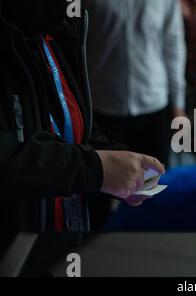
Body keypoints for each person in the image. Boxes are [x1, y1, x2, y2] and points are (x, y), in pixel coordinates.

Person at [0, 0, 165, 239]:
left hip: (57, 244)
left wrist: (113, 159)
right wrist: (94, 169)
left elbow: (67, 127)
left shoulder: (51, 32)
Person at [86, 0, 187, 167]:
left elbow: (173, 46)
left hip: (153, 108)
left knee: (154, 183)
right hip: (102, 108)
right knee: (103, 188)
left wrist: (178, 106)